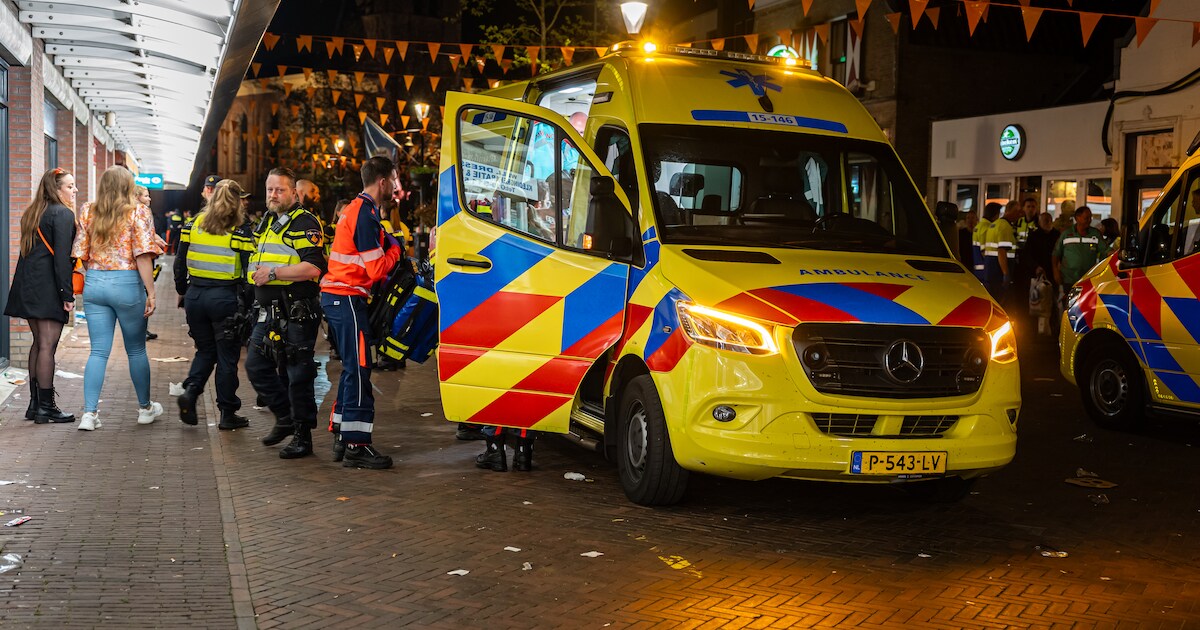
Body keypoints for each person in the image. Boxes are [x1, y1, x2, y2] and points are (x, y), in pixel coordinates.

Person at [321, 157, 404, 469]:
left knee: (352, 368)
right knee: (360, 369)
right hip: (347, 297)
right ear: (382, 182)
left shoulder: (357, 209)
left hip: (339, 297)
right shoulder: (366, 215)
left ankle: (342, 434)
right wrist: (396, 249)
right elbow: (376, 269)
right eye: (393, 180)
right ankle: (356, 444)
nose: (395, 186)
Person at [72, 166, 165, 431]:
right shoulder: (138, 211)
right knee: (136, 349)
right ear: (128, 186)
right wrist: (151, 292)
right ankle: (145, 408)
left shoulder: (88, 210)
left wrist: (97, 273)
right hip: (127, 283)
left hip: (95, 282)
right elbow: (143, 255)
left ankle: (89, 414)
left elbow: (81, 253)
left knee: (98, 351)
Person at [246, 167, 327, 459]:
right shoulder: (269, 221)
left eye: (280, 190)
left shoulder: (304, 222)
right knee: (256, 366)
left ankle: (303, 437)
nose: (273, 195)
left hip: (296, 311)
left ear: (294, 192)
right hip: (269, 312)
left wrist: (274, 273)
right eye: (270, 189)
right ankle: (285, 418)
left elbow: (314, 267)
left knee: (298, 375)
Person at [173, 180, 257, 430]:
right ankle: (227, 414)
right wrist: (247, 306)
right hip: (224, 298)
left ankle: (191, 391)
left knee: (205, 351)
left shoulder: (193, 224)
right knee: (227, 358)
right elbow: (249, 273)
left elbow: (179, 262)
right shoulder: (240, 229)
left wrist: (183, 291)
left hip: (196, 297)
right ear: (237, 200)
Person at [5, 168, 78, 424]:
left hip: (28, 285)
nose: (75, 190)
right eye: (69, 186)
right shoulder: (63, 214)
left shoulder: (33, 212)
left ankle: (35, 404)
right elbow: (61, 259)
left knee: (38, 343)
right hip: (48, 288)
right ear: (56, 189)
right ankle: (46, 407)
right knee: (47, 345)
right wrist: (67, 294)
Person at [1053, 205, 1111, 292]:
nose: (1089, 220)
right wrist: (1055, 272)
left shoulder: (1095, 234)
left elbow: (1105, 250)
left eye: (1090, 217)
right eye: (1086, 218)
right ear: (1077, 218)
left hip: (1088, 279)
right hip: (1069, 279)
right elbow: (1056, 254)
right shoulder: (1066, 234)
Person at [971, 204, 994, 283]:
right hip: (985, 270)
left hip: (978, 269)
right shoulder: (987, 227)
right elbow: (985, 251)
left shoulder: (979, 226)